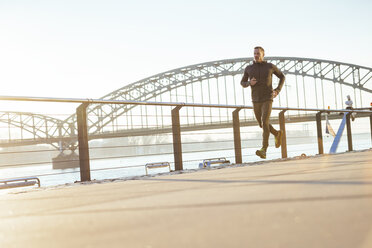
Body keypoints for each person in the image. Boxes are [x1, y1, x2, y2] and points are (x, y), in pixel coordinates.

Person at [240, 46, 286, 159]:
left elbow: (282, 77)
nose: (256, 55)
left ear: (263, 54)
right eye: (254, 53)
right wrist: (249, 83)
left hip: (268, 98)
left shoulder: (270, 66)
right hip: (255, 99)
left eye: (258, 53)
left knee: (265, 121)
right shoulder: (248, 68)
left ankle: (264, 149)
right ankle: (277, 133)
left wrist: (277, 90)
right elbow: (242, 82)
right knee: (261, 124)